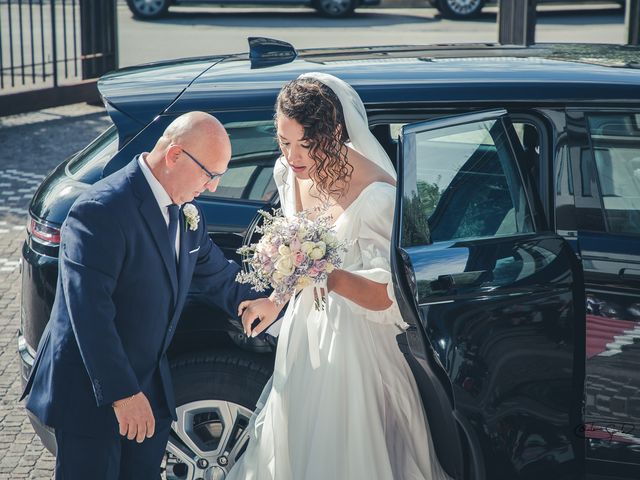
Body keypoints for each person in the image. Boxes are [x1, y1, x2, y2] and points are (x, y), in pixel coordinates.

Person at [228, 73, 452, 479]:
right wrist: (275, 301)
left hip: (358, 346)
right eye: (284, 141)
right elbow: (297, 254)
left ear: (334, 133)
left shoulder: (378, 196)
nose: (293, 156)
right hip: (304, 335)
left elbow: (389, 297)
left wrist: (325, 276)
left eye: (306, 144)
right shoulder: (288, 173)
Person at [20, 111, 262, 479]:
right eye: (210, 174)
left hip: (149, 383)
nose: (213, 186)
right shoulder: (100, 210)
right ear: (175, 156)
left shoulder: (185, 211)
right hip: (94, 391)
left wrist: (265, 300)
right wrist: (124, 395)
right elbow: (89, 312)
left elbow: (217, 274)